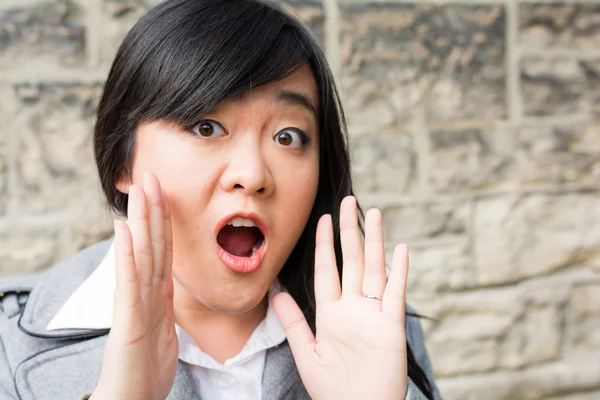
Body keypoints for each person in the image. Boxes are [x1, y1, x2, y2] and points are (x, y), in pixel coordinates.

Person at [0, 0, 443, 399]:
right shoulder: (9, 342)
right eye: (206, 127)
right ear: (123, 161)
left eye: (288, 136)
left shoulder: (374, 325)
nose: (252, 175)